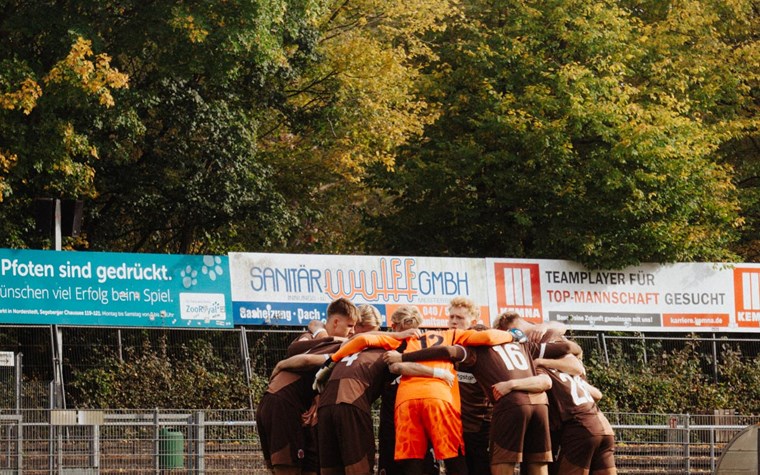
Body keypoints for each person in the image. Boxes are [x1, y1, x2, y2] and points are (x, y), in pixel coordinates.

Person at [319, 305, 516, 475]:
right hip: (439, 399)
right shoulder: (453, 335)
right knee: (453, 459)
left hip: (406, 402)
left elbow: (362, 340)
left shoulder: (403, 339)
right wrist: (513, 334)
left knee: (413, 462)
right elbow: (488, 337)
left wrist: (331, 361)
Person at [315, 304, 452, 475]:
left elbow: (309, 355)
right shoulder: (396, 344)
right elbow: (397, 367)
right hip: (357, 403)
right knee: (360, 469)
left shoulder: (352, 344)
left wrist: (326, 365)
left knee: (331, 468)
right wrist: (437, 372)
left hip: (328, 400)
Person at [256, 298, 359, 475]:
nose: (353, 332)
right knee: (288, 468)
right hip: (283, 404)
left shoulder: (313, 335)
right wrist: (281, 364)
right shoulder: (336, 344)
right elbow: (298, 352)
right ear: (336, 322)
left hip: (283, 403)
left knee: (310, 464)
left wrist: (316, 398)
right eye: (350, 326)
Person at [535, 353, 617, 475]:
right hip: (605, 428)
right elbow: (597, 395)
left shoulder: (541, 370)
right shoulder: (572, 374)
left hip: (581, 429)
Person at [447, 297, 492, 475]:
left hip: (480, 426)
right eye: (451, 317)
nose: (454, 321)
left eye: (459, 318)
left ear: (473, 322)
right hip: (452, 425)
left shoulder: (485, 346)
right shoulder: (444, 343)